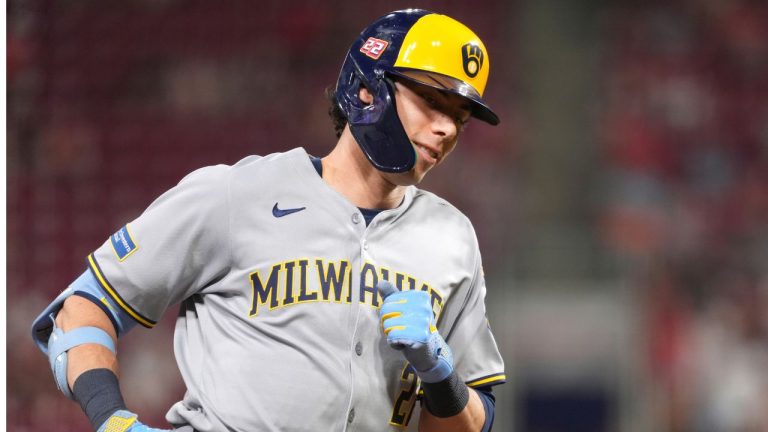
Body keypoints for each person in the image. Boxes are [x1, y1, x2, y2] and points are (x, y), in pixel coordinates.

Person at [31, 9, 506, 432]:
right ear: (367, 89)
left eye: (460, 117)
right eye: (432, 101)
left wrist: (440, 375)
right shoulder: (238, 194)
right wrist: (114, 422)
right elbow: (82, 307)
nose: (446, 128)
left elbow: (469, 422)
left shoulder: (453, 239)